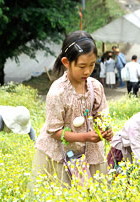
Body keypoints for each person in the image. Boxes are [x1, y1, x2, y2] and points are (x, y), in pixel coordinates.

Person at [32, 30, 113, 187]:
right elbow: (54, 131)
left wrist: (105, 129)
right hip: (59, 153)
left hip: (88, 152)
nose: (87, 71)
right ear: (66, 62)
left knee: (93, 198)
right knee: (63, 197)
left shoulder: (95, 87)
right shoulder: (58, 92)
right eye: (82, 66)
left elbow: (102, 114)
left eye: (92, 65)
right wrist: (85, 136)